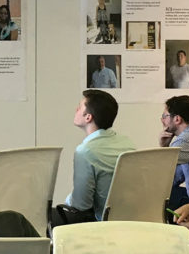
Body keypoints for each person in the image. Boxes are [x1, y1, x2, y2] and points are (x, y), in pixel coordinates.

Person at [51, 89, 135, 225]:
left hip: (100, 222)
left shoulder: (85, 151)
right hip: (131, 218)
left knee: (47, 217)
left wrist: (67, 200)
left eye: (80, 107)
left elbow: (81, 205)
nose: (76, 109)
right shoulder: (127, 143)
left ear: (88, 117)